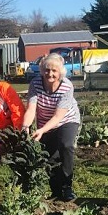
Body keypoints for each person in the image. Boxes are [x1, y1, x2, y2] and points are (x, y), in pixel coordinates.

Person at [22, 53, 81, 201]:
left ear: (60, 72)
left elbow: (58, 117)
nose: (50, 74)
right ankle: (55, 191)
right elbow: (31, 109)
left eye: (54, 71)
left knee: (66, 145)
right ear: (42, 70)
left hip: (67, 119)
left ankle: (67, 188)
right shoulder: (35, 84)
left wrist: (41, 130)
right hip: (45, 121)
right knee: (51, 155)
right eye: (47, 70)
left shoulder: (66, 86)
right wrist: (25, 126)